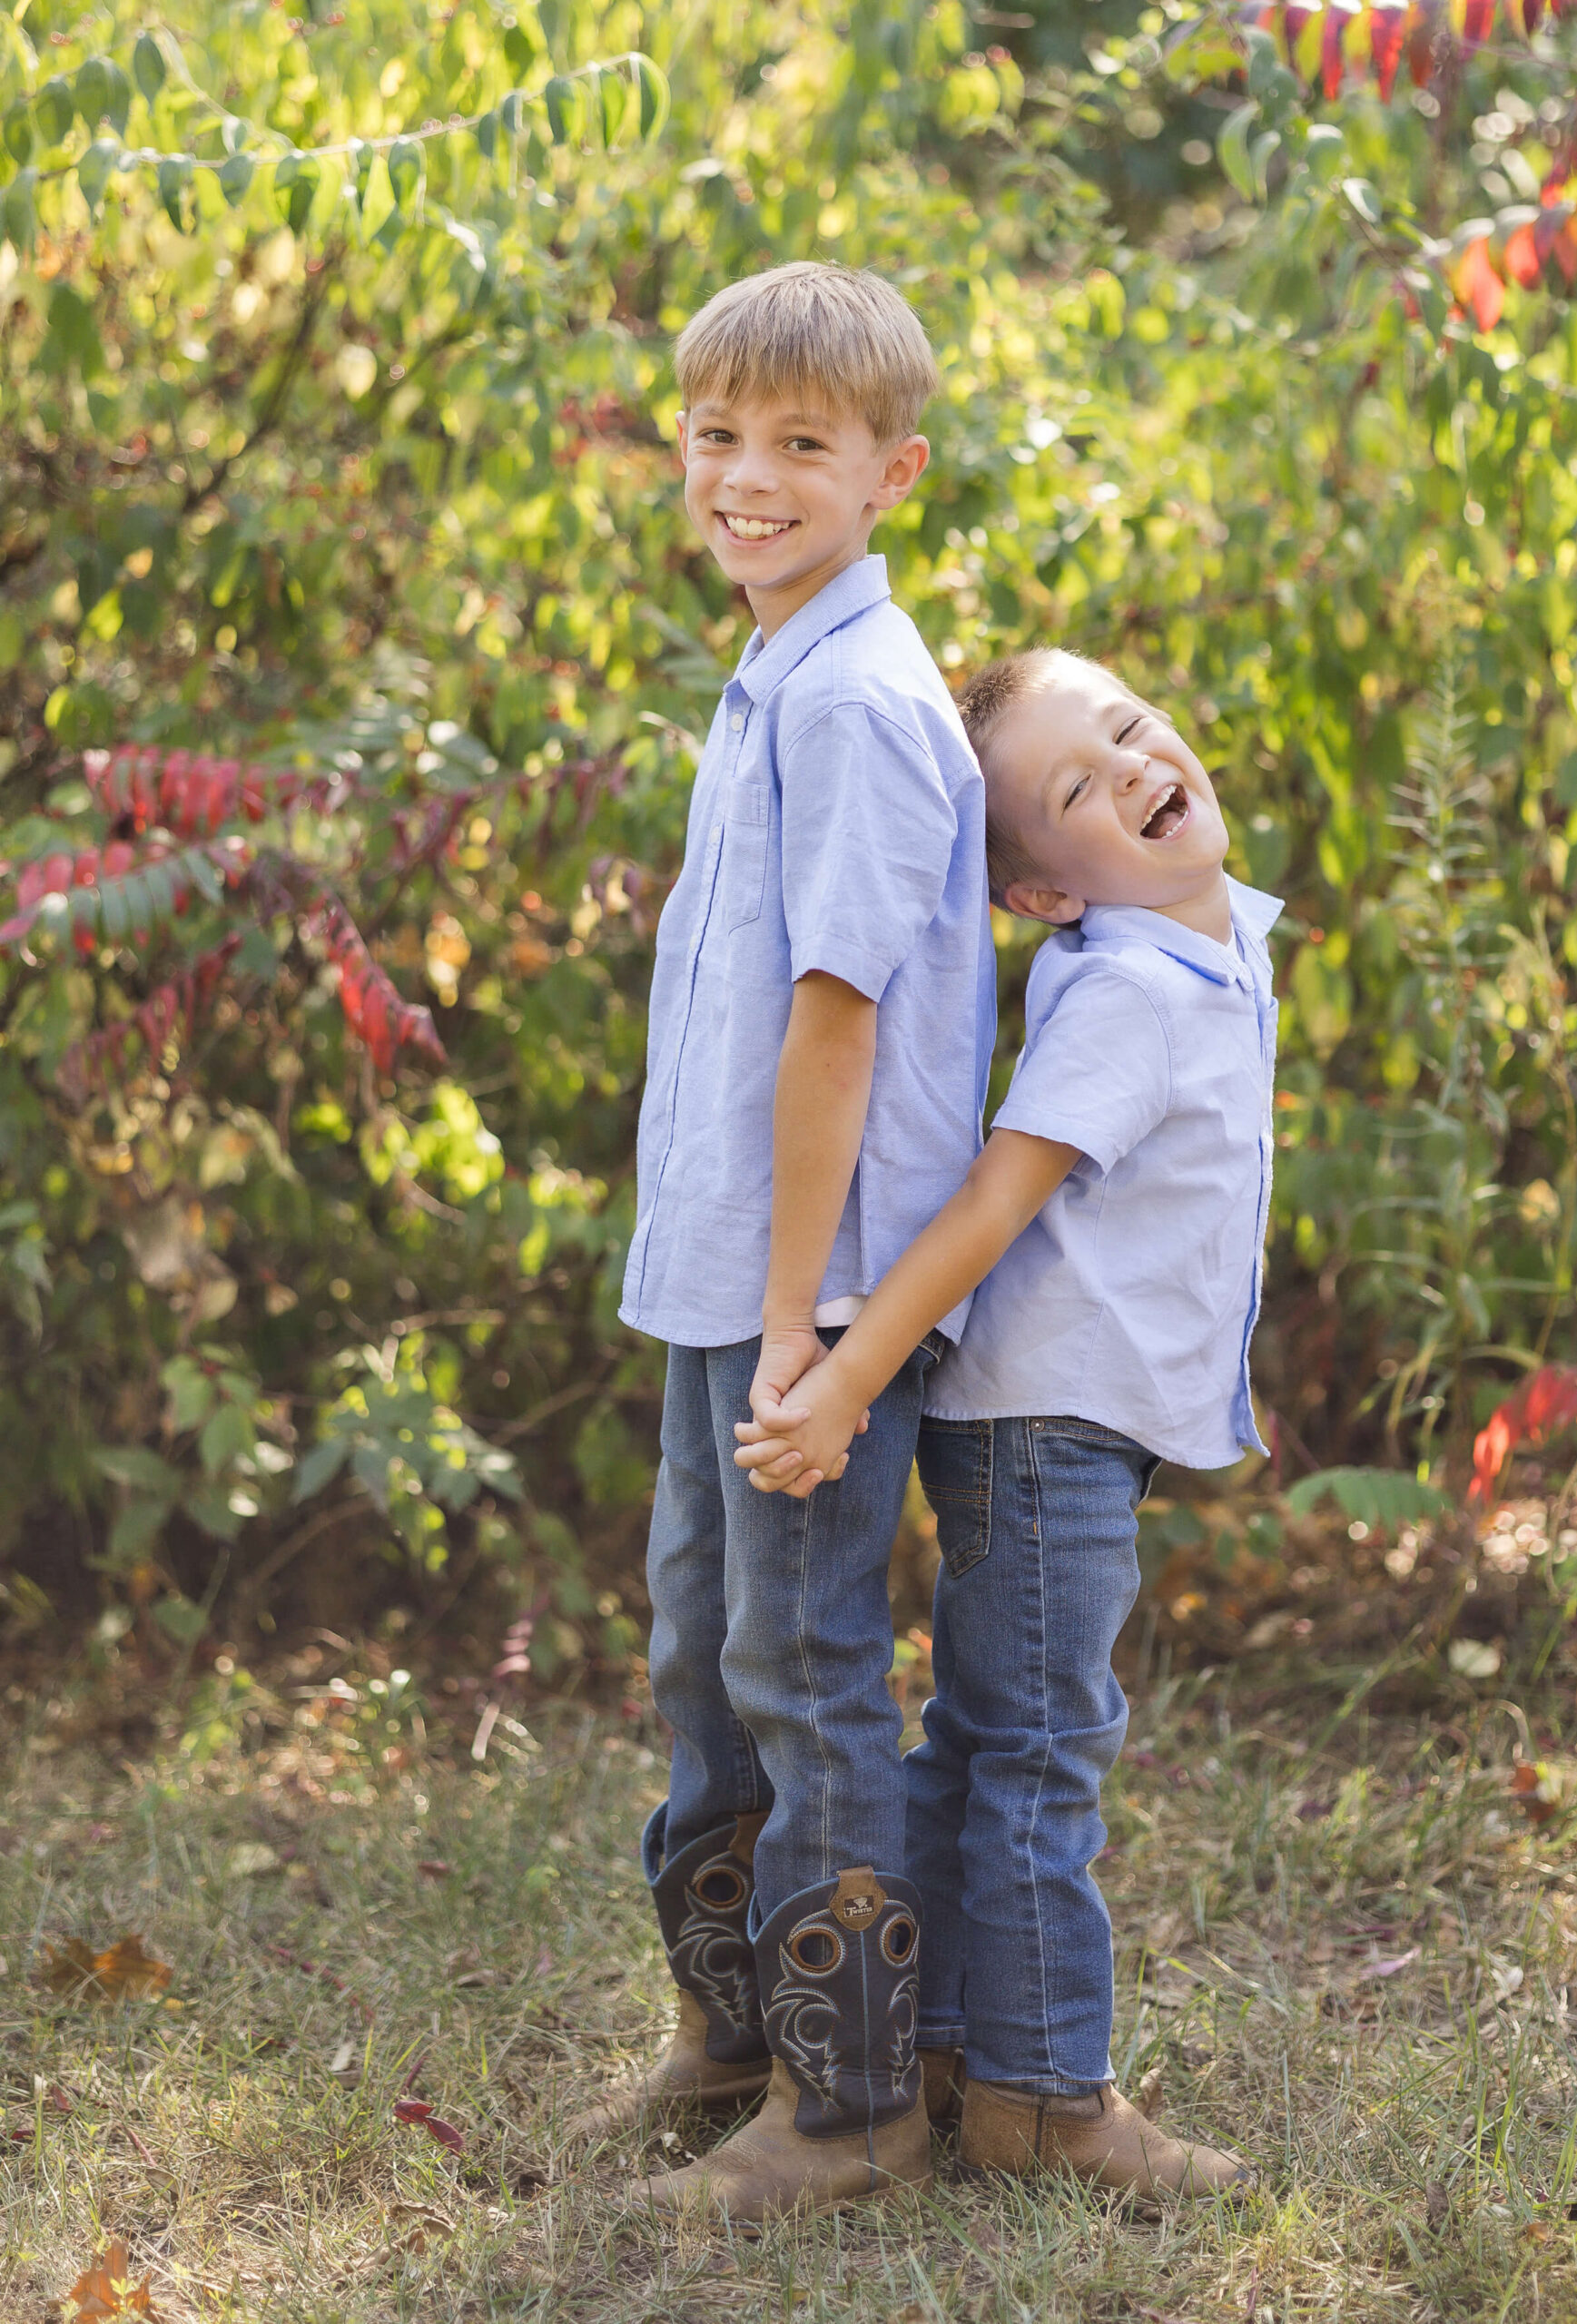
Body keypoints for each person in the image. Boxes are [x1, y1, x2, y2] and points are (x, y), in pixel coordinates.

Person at [736, 648, 1277, 2202]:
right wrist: (844, 1379)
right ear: (1046, 896)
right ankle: (1045, 2090)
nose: (1129, 767)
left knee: (989, 1739)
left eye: (1127, 730)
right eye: (1075, 790)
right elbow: (994, 1200)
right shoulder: (1121, 991)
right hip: (1042, 1428)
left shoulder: (1212, 944)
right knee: (1041, 1751)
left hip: (1065, 1421)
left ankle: (939, 2044)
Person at [601, 262, 994, 2221]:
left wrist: (792, 1331)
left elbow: (837, 1019)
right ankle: (735, 2031)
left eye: (799, 446)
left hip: (810, 1288)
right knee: (707, 1647)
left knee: (810, 1659)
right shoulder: (771, 669)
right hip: (725, 1272)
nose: (744, 478)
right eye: (715, 437)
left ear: (890, 472)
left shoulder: (854, 698)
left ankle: (848, 2109)